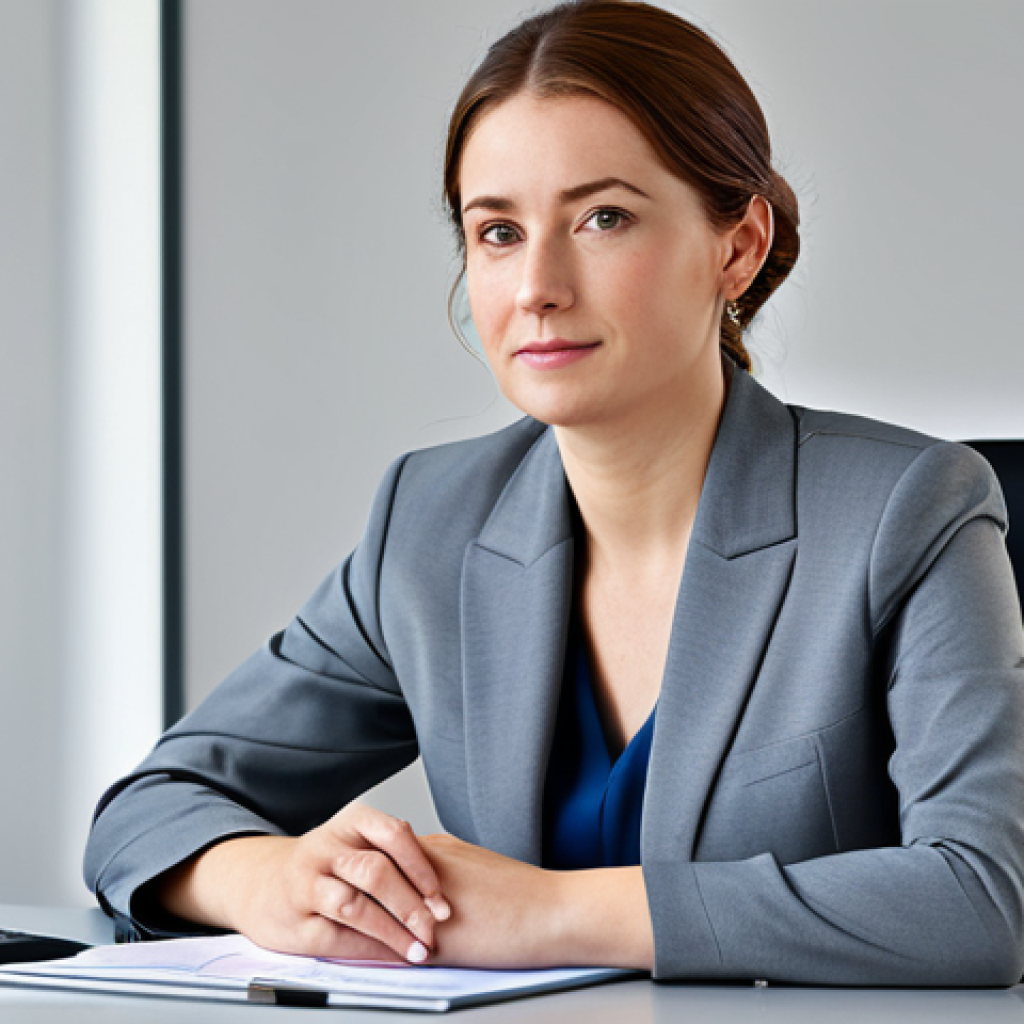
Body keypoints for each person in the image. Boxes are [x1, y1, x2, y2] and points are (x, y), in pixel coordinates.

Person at [83, 0, 1024, 986]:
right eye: (496, 231)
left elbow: (978, 899)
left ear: (736, 247)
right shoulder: (429, 524)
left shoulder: (907, 509)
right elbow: (150, 807)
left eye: (602, 217)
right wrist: (274, 881)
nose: (537, 283)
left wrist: (548, 912)